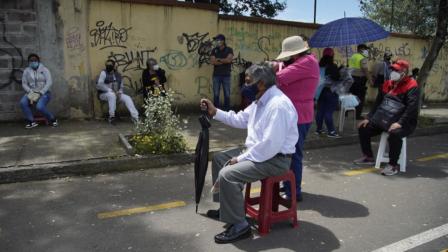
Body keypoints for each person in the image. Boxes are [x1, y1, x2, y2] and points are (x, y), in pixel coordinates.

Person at [202, 63, 298, 244]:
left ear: (261, 83)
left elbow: (269, 146)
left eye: (247, 82)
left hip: (275, 159)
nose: (244, 86)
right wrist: (215, 112)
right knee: (219, 159)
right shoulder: (260, 100)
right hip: (259, 152)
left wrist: (239, 159)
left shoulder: (277, 106)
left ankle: (240, 226)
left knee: (228, 174)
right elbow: (240, 119)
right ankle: (227, 209)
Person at [274, 35, 320, 202]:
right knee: (286, 152)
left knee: (293, 154)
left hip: (298, 115)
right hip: (294, 114)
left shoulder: (306, 62)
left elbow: (279, 78)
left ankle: (293, 191)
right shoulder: (304, 61)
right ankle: (288, 183)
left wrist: (276, 66)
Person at [355, 60, 419, 176]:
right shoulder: (387, 84)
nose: (393, 72)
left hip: (404, 122)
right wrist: (369, 118)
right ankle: (368, 157)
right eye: (392, 69)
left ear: (404, 71)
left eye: (396, 70)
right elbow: (378, 103)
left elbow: (412, 108)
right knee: (363, 127)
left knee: (394, 134)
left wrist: (400, 123)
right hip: (385, 118)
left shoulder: (412, 85)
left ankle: (393, 165)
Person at [20, 53, 58, 128]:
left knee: (39, 107)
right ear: (28, 62)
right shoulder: (26, 71)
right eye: (31, 61)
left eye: (35, 60)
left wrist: (41, 92)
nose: (33, 62)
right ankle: (32, 121)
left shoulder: (45, 70)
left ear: (38, 61)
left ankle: (53, 119)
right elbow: (24, 83)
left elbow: (49, 82)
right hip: (32, 92)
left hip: (44, 93)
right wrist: (30, 91)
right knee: (23, 102)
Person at [96, 59, 139, 124]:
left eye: (110, 65)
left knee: (127, 98)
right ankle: (112, 117)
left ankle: (135, 117)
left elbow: (121, 86)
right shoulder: (103, 73)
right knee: (111, 95)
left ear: (114, 66)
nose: (109, 66)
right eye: (107, 65)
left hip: (116, 93)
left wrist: (120, 92)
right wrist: (110, 90)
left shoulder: (118, 74)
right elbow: (99, 85)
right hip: (104, 94)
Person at [315, 48, 341, 138]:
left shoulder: (319, 66)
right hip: (330, 91)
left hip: (320, 91)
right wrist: (341, 69)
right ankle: (331, 131)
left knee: (320, 111)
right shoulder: (333, 66)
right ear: (332, 55)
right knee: (329, 111)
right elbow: (337, 78)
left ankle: (319, 129)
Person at [210, 34, 234, 111]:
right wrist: (224, 60)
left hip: (226, 75)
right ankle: (216, 111)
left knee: (227, 94)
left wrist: (219, 59)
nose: (217, 42)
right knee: (216, 94)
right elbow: (213, 61)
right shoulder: (214, 50)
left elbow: (229, 60)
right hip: (216, 75)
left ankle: (227, 111)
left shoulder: (229, 49)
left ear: (223, 41)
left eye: (218, 40)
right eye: (216, 40)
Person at [349, 44, 371, 119]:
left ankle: (346, 112)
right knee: (360, 98)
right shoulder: (362, 58)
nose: (366, 51)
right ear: (361, 49)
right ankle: (357, 115)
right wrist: (370, 79)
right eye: (365, 49)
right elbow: (365, 69)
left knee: (351, 96)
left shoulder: (353, 56)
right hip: (360, 80)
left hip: (351, 79)